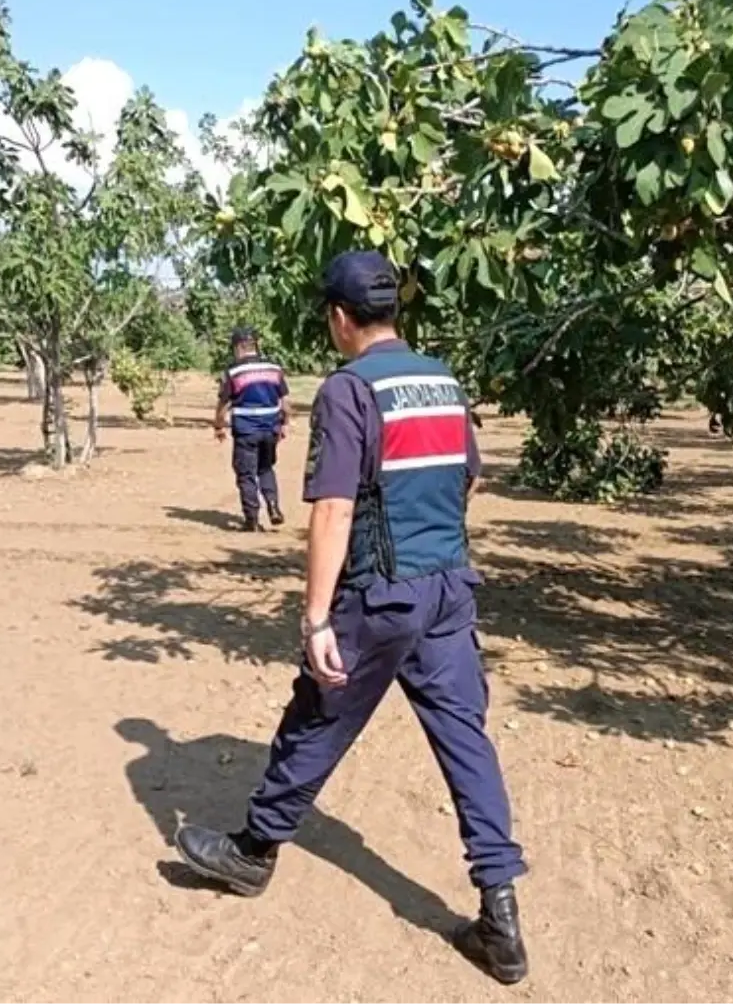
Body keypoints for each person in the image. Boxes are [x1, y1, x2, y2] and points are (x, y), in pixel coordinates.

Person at [176, 251, 529, 985]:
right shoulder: (441, 377)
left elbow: (334, 507)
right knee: (466, 741)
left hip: (382, 594)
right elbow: (468, 475)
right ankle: (500, 917)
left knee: (317, 714)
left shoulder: (347, 391)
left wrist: (315, 620)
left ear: (339, 318)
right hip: (448, 589)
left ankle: (252, 851)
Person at [215, 326, 291, 531]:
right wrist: (285, 423)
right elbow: (285, 402)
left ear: (239, 347)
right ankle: (274, 507)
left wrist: (218, 426)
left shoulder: (233, 371)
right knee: (265, 468)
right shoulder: (274, 368)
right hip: (270, 429)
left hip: (246, 430)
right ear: (256, 345)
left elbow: (223, 403)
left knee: (246, 473)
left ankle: (252, 519)